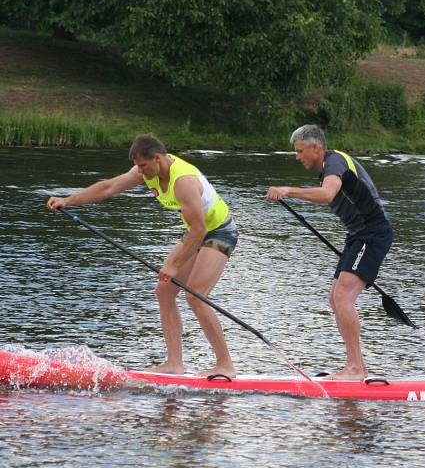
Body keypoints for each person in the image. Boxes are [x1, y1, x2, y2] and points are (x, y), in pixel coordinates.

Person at [46, 134, 239, 378]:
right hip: (196, 232)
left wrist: (173, 264)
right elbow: (108, 187)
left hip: (219, 231)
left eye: (143, 166)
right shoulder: (147, 172)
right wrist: (68, 201)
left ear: (157, 158)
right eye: (137, 166)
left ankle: (225, 365)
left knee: (195, 296)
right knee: (164, 290)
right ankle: (174, 364)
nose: (139, 171)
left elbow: (200, 230)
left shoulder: (184, 181)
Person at [265, 125, 392, 380]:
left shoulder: (334, 161)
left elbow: (327, 194)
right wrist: (348, 251)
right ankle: (356, 366)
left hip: (373, 234)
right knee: (335, 299)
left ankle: (356, 368)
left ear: (316, 148)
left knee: (343, 296)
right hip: (358, 236)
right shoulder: (328, 167)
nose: (297, 156)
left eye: (300, 151)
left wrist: (289, 190)